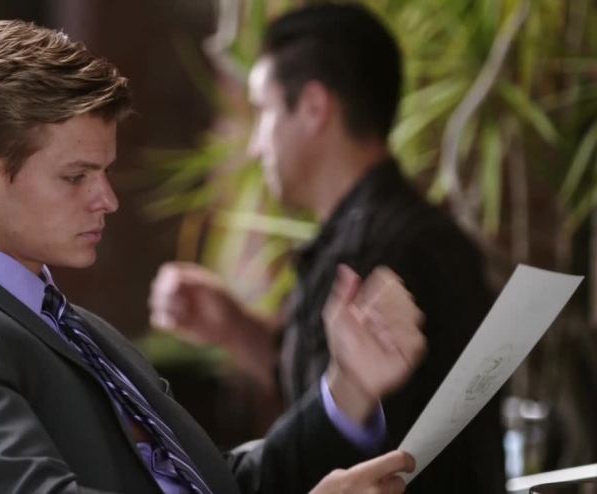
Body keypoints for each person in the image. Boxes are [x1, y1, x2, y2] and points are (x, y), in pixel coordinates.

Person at [0, 19, 427, 494]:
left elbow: (214, 485)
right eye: (76, 176)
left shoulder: (85, 333)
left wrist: (348, 389)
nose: (107, 199)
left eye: (104, 172)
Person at [150, 4, 505, 493]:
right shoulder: (386, 234)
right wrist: (232, 326)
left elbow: (351, 441)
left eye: (263, 111)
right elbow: (326, 398)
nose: (256, 145)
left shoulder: (388, 253)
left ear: (314, 107)